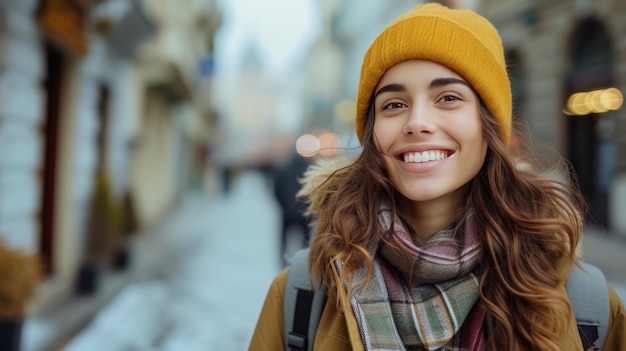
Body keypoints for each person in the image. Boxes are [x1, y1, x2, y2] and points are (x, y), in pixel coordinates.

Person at [249, 3, 626, 350]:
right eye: (394, 105)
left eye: (448, 98)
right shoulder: (301, 296)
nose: (417, 123)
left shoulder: (584, 304)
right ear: (371, 135)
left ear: (487, 124)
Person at [271, 150, 311, 265]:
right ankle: (304, 262)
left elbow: (276, 190)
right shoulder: (309, 172)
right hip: (304, 212)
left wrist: (283, 205)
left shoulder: (283, 170)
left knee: (284, 238)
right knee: (305, 239)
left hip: (287, 212)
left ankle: (283, 260)